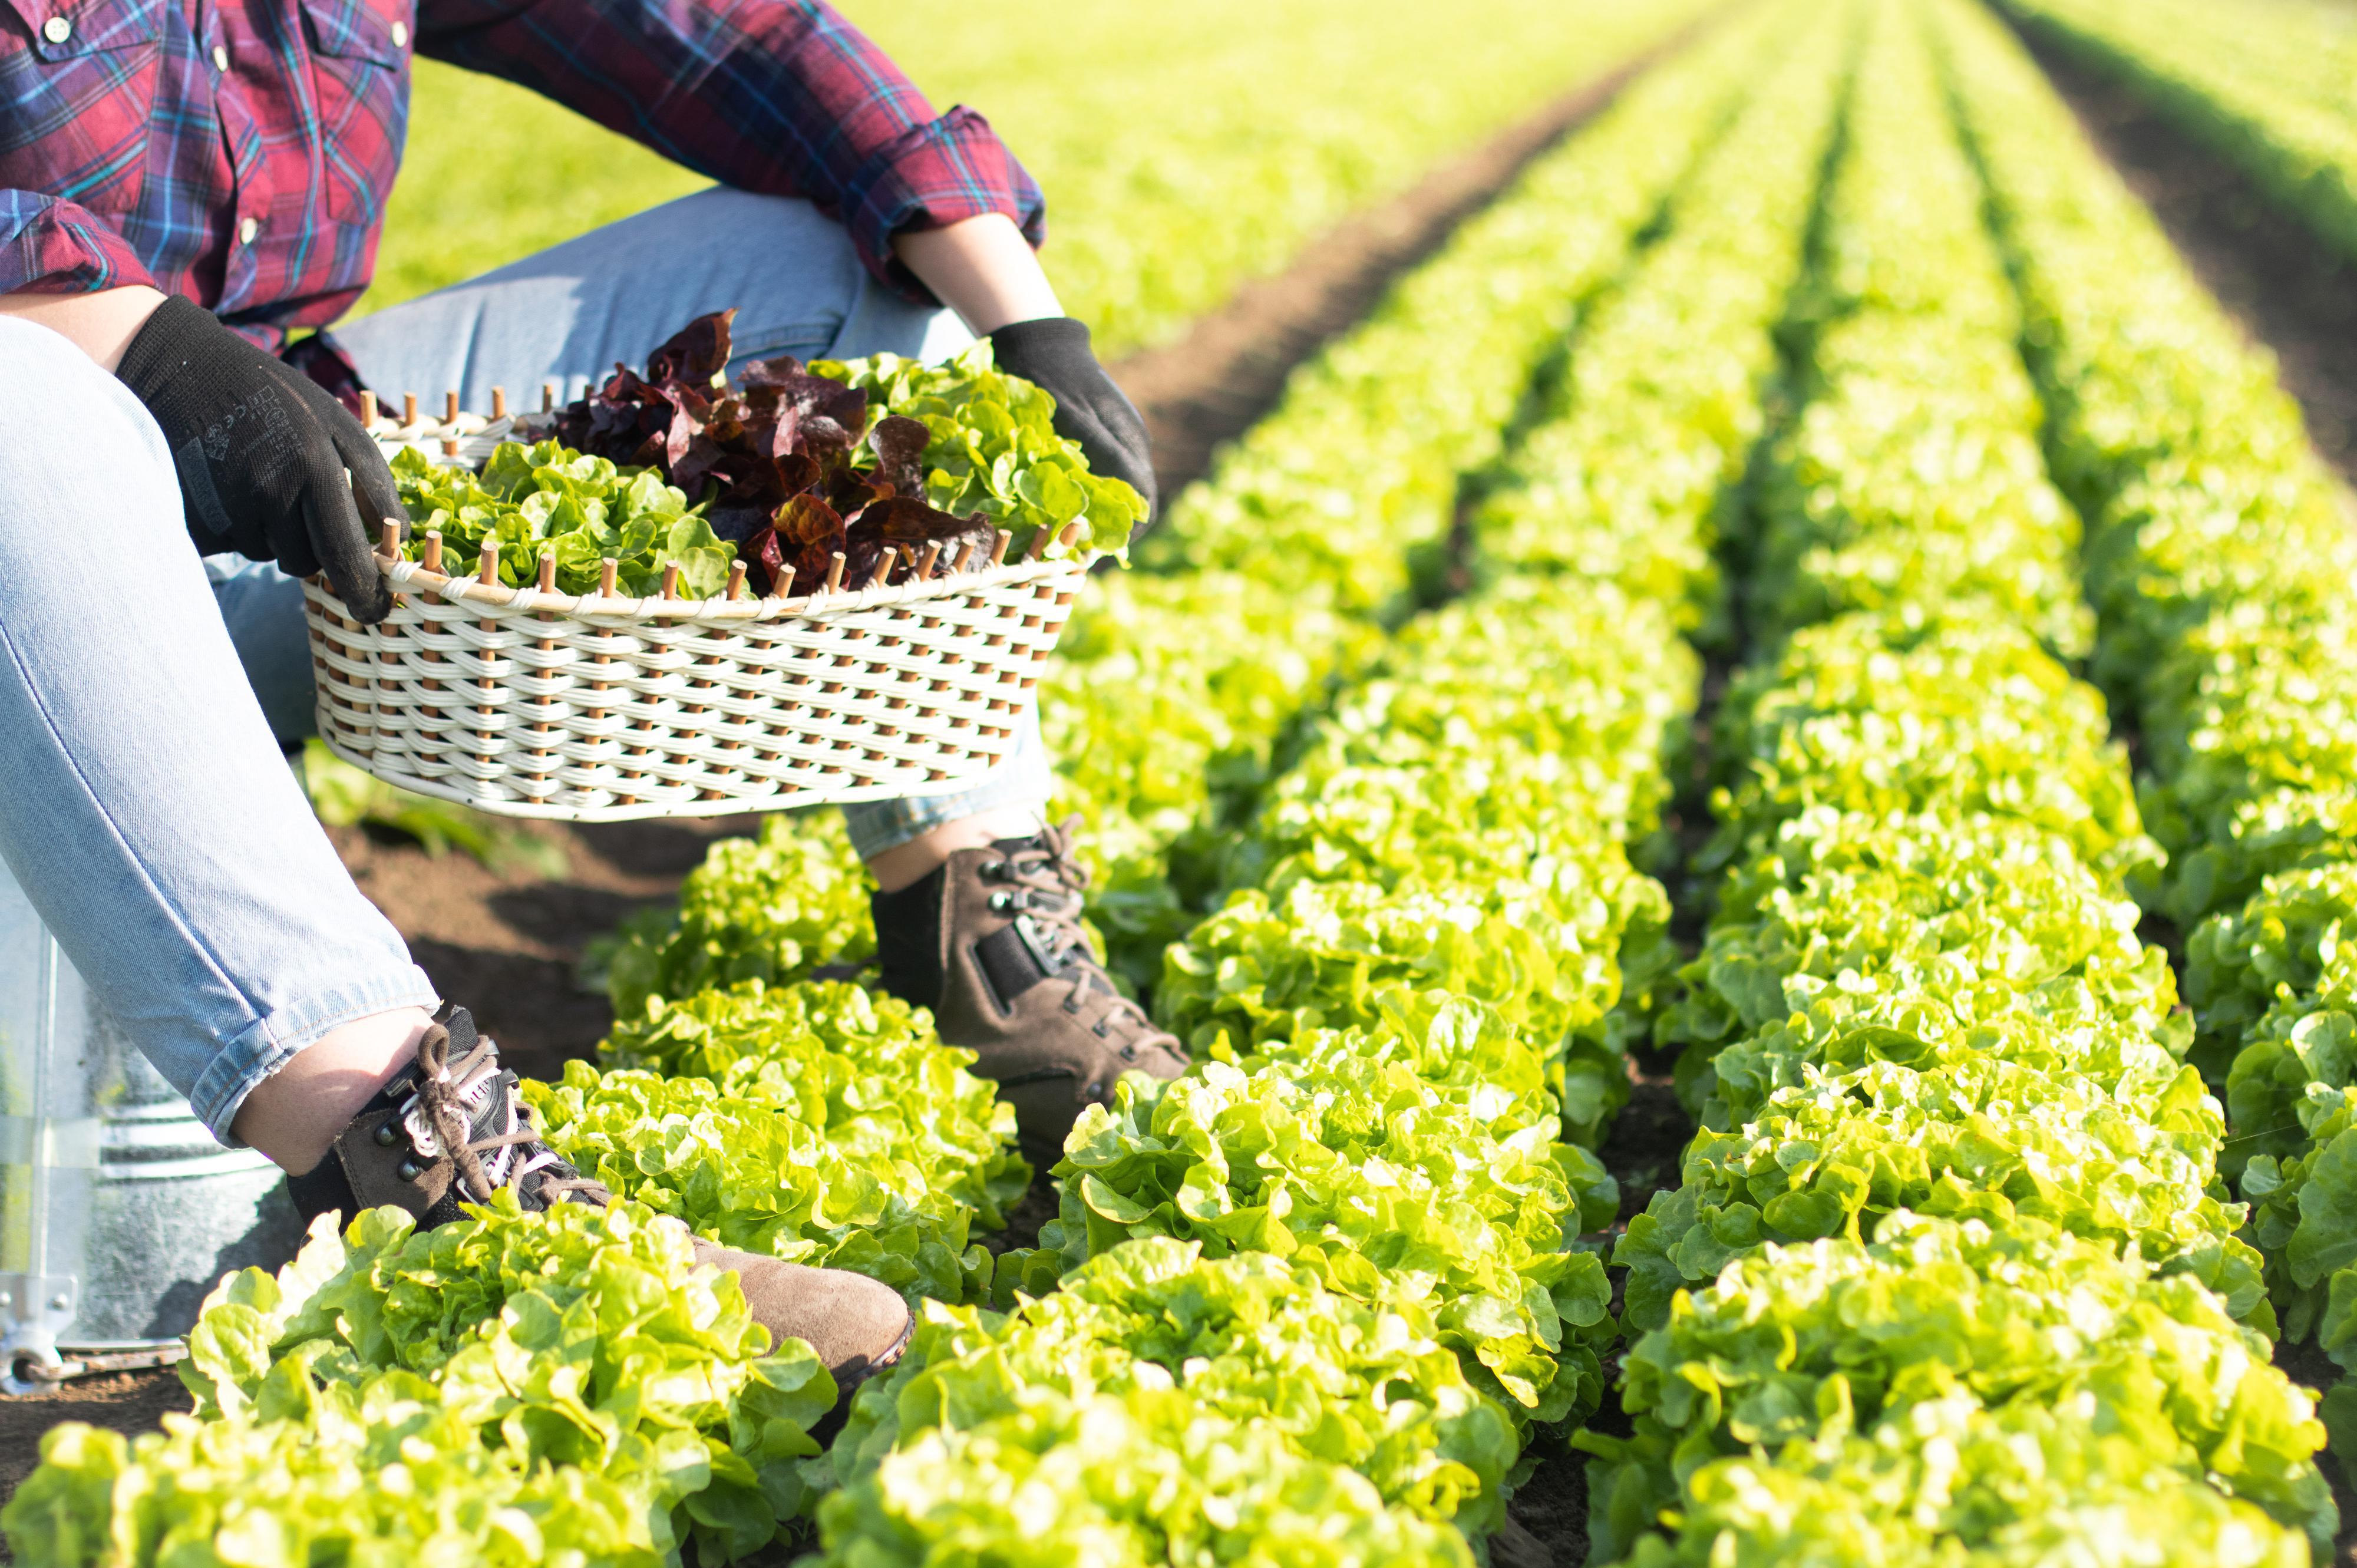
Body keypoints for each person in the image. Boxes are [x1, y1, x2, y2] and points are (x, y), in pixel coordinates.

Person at [0, 0, 1186, 1398]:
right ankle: (418, 1164)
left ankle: (987, 946)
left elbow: (737, 43)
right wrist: (116, 331)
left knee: (833, 273)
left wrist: (1026, 314)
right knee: (23, 402)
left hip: (260, 504)